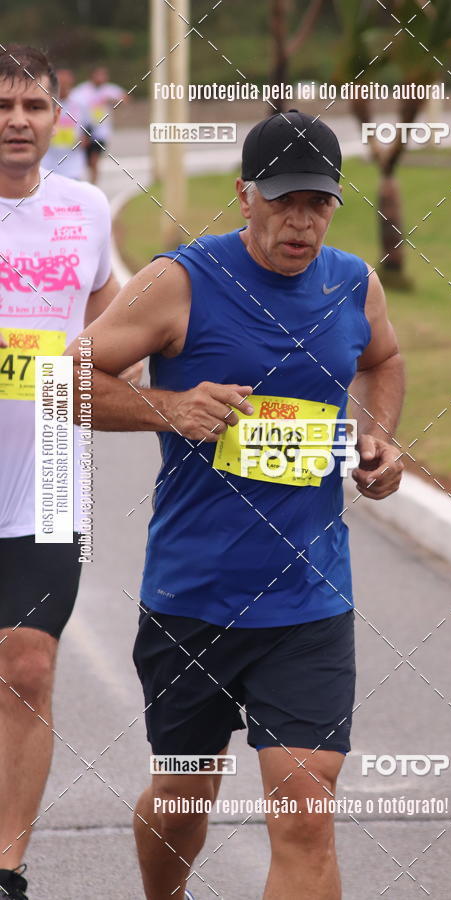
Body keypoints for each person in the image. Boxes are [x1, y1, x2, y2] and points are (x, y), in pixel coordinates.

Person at [67, 110, 405, 900]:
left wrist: (379, 442)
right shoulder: (179, 281)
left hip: (308, 602)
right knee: (184, 804)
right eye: (284, 200)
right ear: (245, 194)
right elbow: (65, 382)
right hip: (193, 600)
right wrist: (171, 407)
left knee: (305, 816)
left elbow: (383, 359)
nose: (301, 221)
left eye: (318, 202)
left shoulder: (354, 281)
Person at [0, 44, 121, 900]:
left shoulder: (87, 209)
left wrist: (97, 360)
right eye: (1, 106)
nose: (16, 121)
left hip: (45, 472)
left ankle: (5, 866)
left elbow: (112, 302)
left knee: (29, 666)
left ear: (56, 117)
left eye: (33, 106)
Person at [71, 66, 127, 184]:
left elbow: (126, 98)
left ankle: (93, 185)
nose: (102, 78)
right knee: (86, 161)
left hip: (102, 132)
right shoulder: (81, 91)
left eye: (104, 75)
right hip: (85, 130)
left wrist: (112, 101)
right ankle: (81, 182)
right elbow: (71, 104)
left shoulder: (109, 90)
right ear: (92, 76)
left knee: (94, 160)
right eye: (99, 75)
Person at [41, 68, 87, 180]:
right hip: (48, 160)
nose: (63, 86)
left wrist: (85, 138)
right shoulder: (45, 102)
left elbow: (89, 126)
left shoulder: (80, 103)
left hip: (72, 161)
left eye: (66, 83)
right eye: (60, 83)